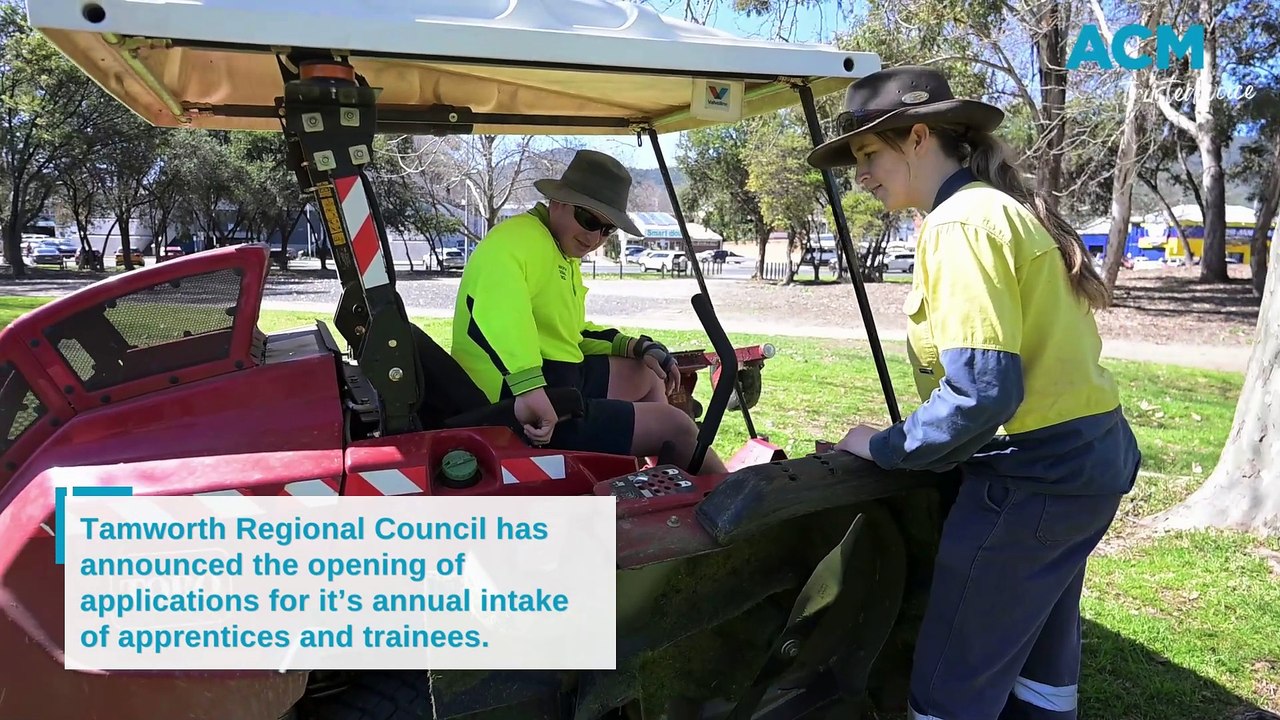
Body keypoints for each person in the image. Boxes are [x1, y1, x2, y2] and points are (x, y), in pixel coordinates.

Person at [807, 66, 1142, 720]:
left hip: (1030, 481)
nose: (862, 174)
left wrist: (884, 445)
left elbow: (983, 393)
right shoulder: (992, 208)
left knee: (950, 685)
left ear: (919, 137)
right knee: (1040, 667)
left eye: (870, 154)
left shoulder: (960, 224)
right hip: (1085, 466)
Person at [449, 149, 727, 474]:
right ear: (558, 201)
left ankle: (650, 484)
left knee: (647, 373)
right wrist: (529, 389)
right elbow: (494, 313)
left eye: (607, 230)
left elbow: (571, 333)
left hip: (557, 381)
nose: (594, 238)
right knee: (677, 426)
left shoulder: (559, 251)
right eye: (589, 220)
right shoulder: (515, 242)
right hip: (515, 404)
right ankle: (735, 509)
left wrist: (636, 346)